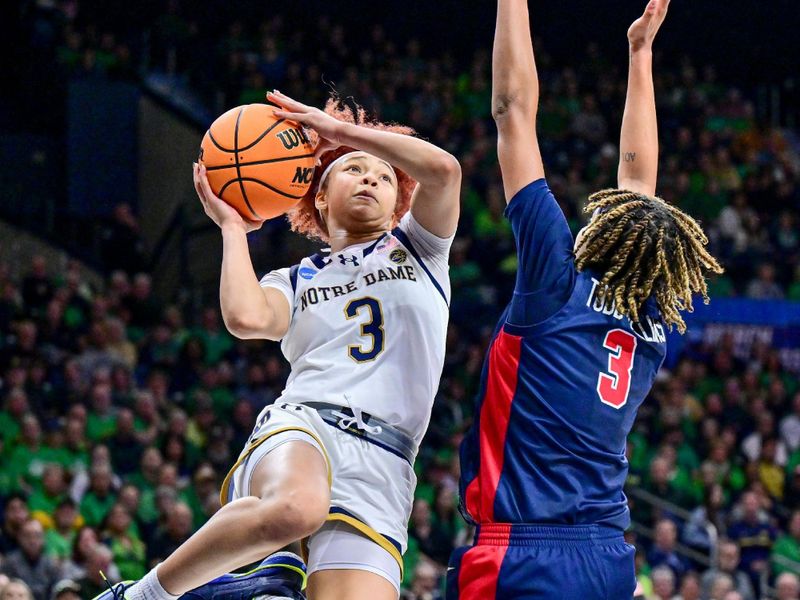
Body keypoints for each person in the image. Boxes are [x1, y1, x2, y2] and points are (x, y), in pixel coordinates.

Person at [97, 90, 460, 600]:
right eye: (354, 169)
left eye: (382, 176)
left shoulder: (421, 250)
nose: (371, 179)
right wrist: (231, 229)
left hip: (386, 459)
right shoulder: (295, 278)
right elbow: (245, 318)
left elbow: (444, 171)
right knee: (296, 509)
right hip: (306, 423)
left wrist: (345, 135)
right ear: (319, 195)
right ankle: (144, 596)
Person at [448, 0, 723, 598]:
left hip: (523, 552)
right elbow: (639, 186)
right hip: (607, 556)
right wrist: (640, 55)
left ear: (608, 227)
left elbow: (512, 111)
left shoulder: (556, 282)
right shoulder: (649, 316)